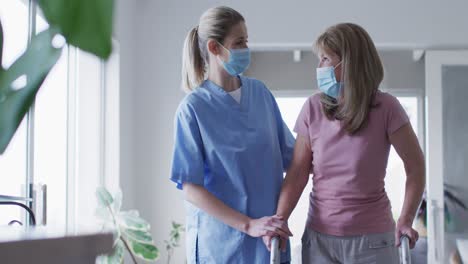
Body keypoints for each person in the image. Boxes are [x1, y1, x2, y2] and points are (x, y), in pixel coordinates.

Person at [265, 23, 426, 263]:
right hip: (320, 240)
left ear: (349, 63)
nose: (319, 67)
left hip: (373, 240)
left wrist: (406, 219)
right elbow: (298, 172)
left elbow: (415, 167)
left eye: (326, 59)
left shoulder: (386, 108)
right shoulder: (313, 108)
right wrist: (280, 219)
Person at [171, 6, 294, 263]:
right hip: (220, 246)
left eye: (246, 41)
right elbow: (191, 188)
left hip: (268, 241)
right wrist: (248, 225)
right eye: (239, 42)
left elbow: (295, 160)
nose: (246, 49)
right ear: (215, 48)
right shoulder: (193, 109)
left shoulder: (260, 94)